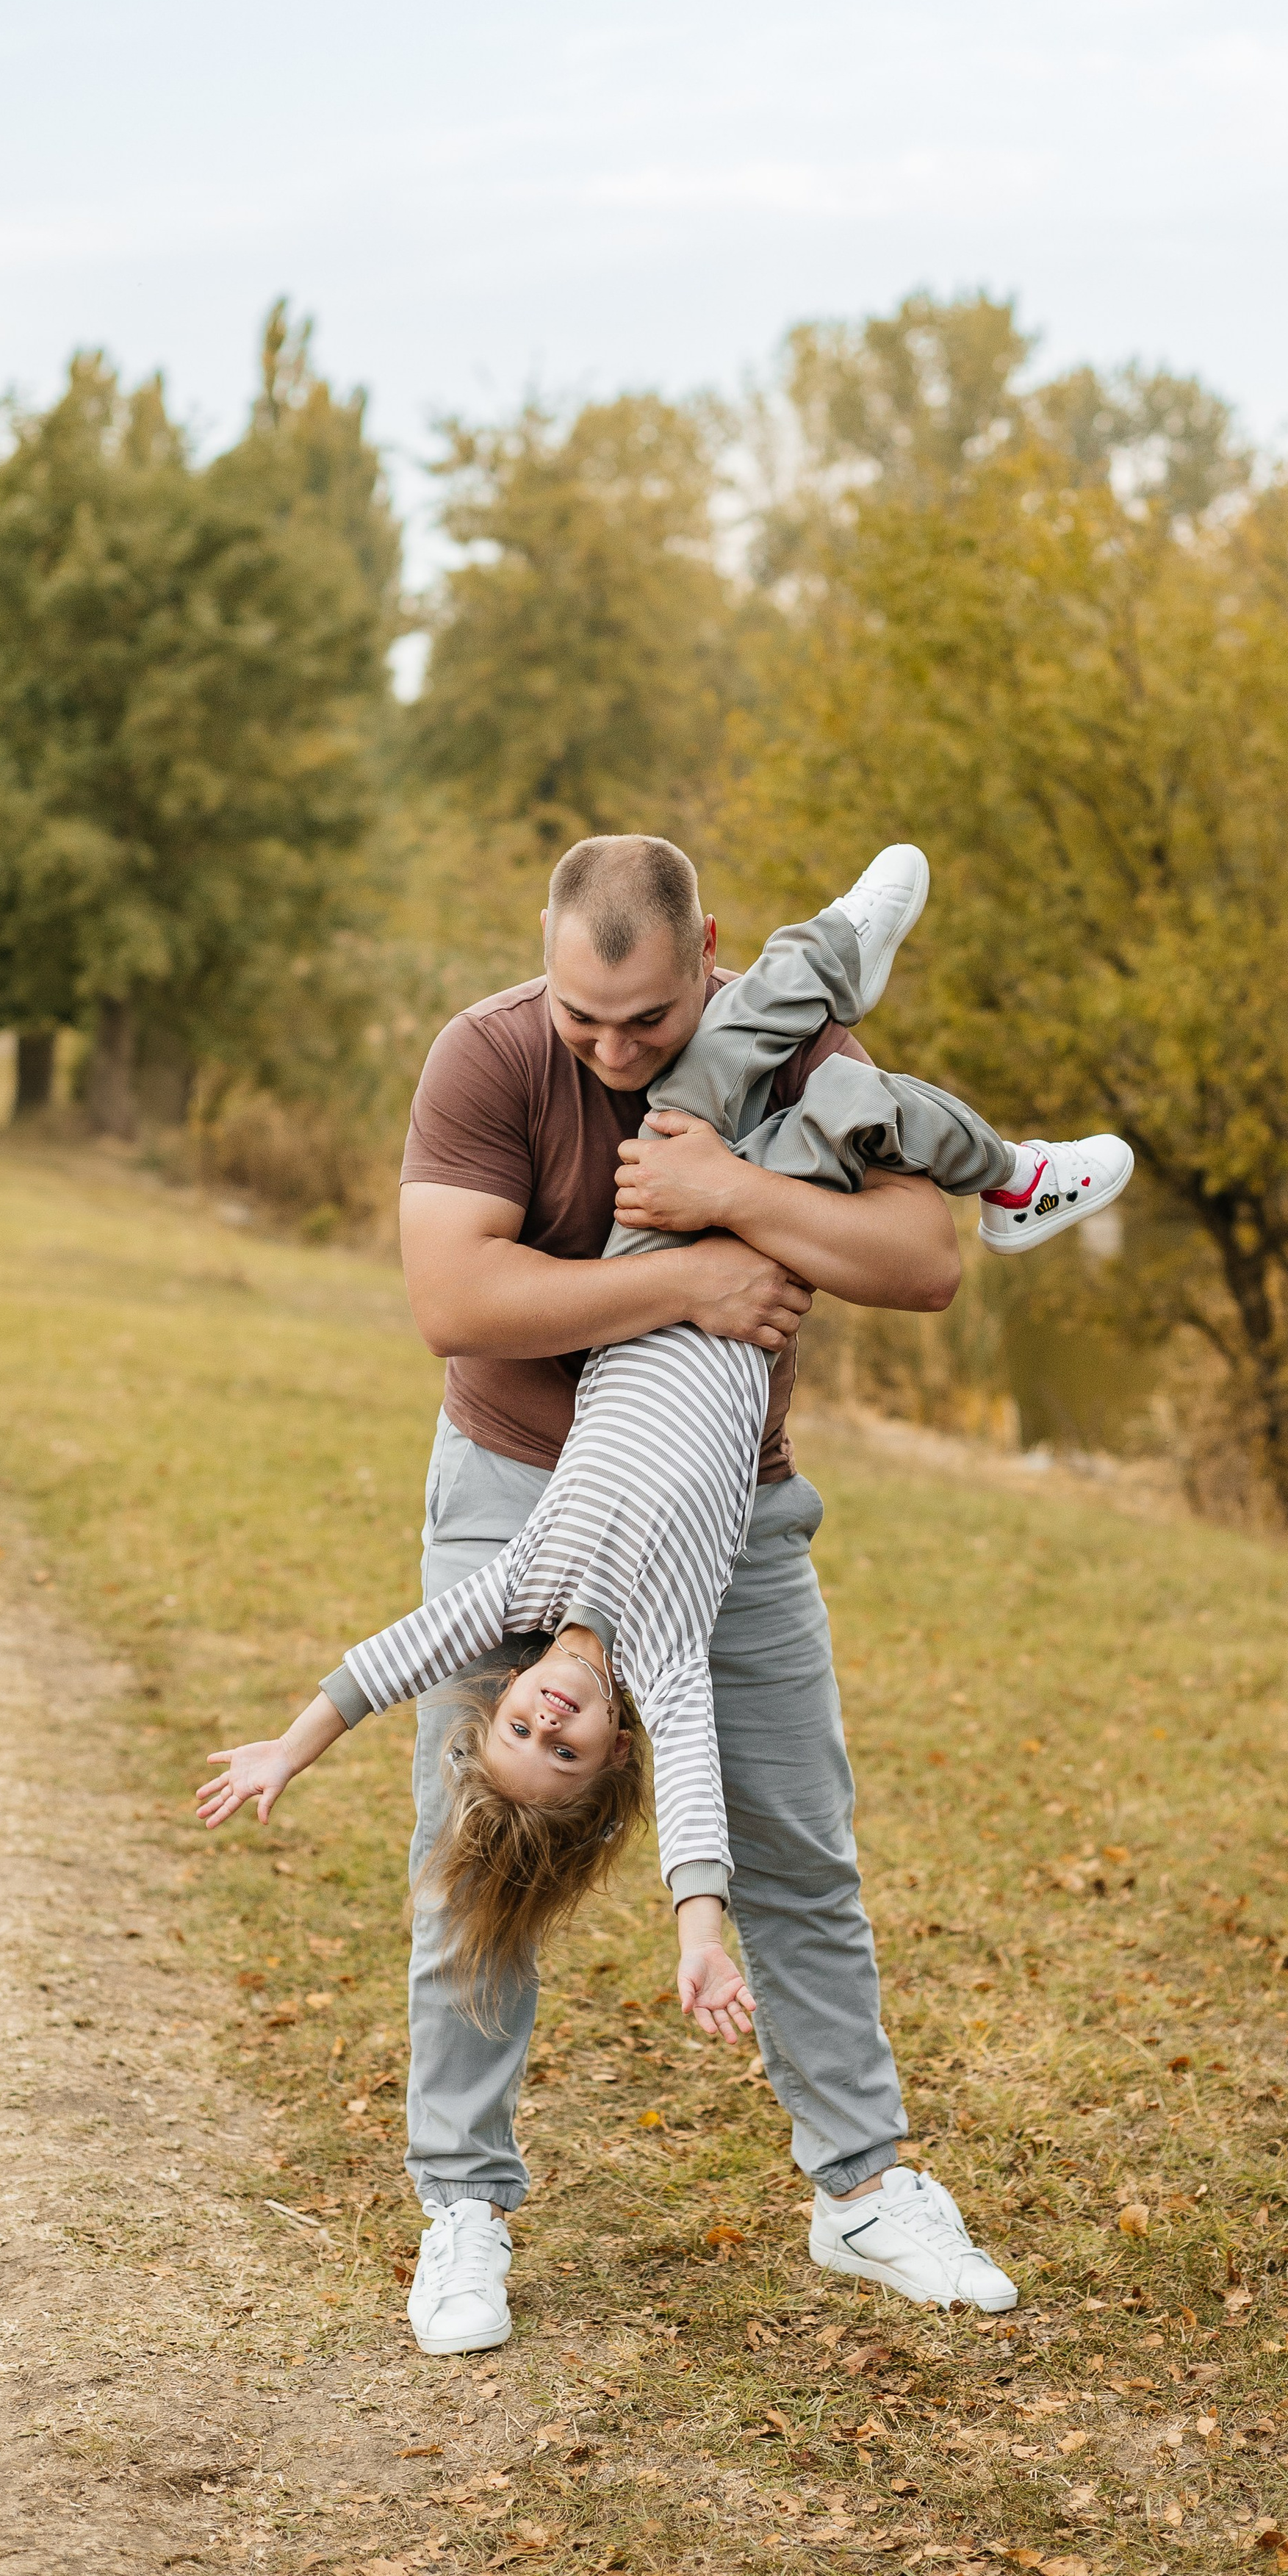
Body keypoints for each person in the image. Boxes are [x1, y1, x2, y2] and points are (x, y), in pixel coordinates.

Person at [202, 838, 1130, 2354]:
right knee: (476, 1849)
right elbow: (455, 1300)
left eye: (644, 1017)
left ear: (703, 952)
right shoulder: (491, 1056)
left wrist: (728, 1191)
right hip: (515, 1468)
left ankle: (859, 2188)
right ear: (545, 968)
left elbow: (915, 1261)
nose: (616, 1049)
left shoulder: (763, 1043)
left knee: (796, 1840)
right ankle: (462, 2203)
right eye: (587, 1018)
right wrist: (697, 1276)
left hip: (735, 1509)